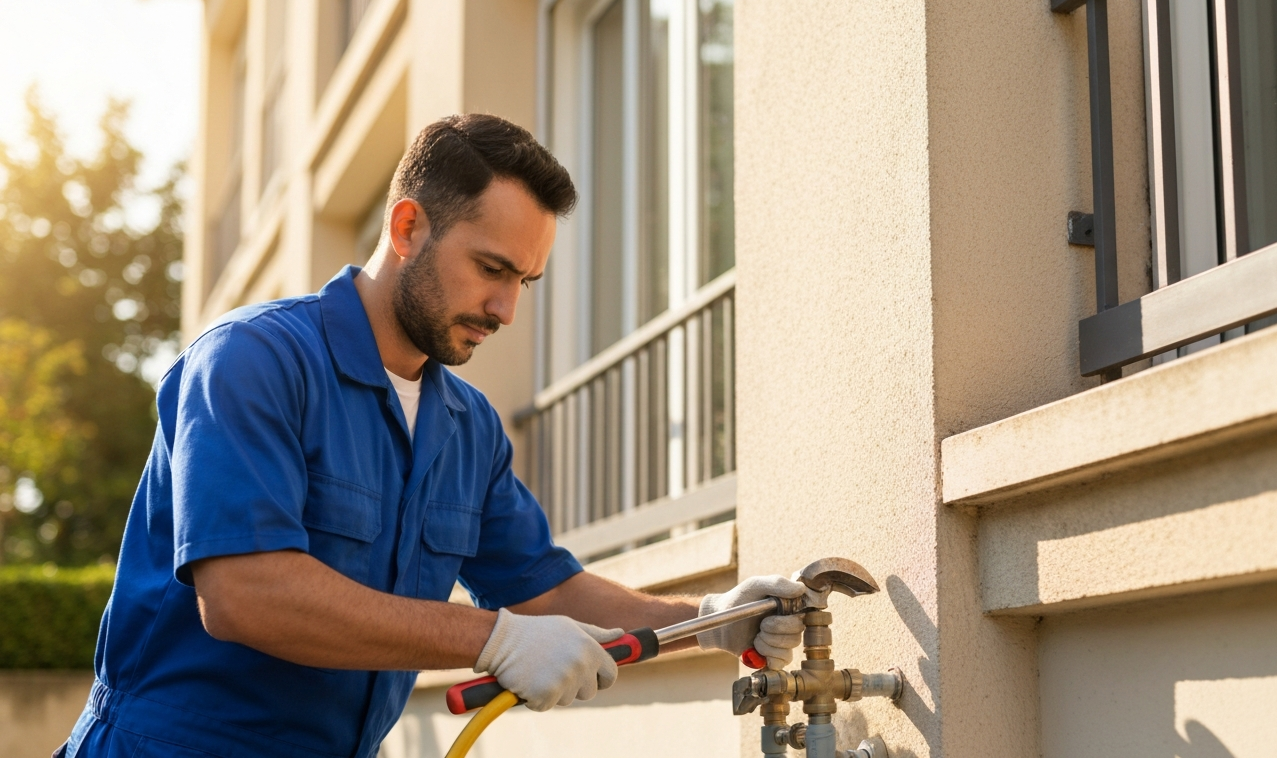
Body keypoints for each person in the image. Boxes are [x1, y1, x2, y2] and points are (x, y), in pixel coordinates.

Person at [60, 114, 806, 758]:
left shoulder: (467, 427)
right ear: (408, 226)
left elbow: (544, 589)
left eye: (525, 282)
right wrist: (492, 640)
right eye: (491, 268)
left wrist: (706, 620)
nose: (506, 308)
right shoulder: (254, 360)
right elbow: (246, 594)